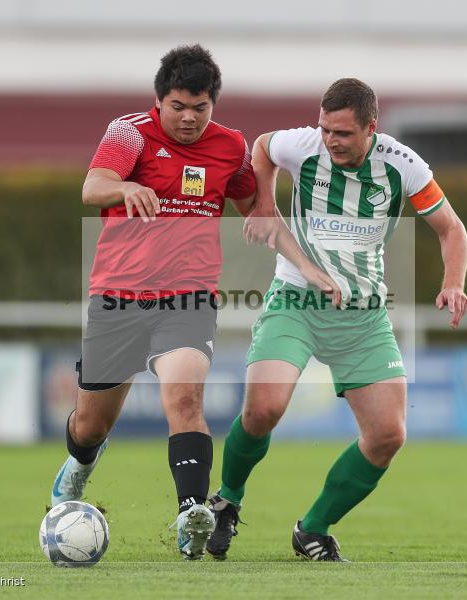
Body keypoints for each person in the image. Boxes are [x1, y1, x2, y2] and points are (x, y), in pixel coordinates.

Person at [49, 44, 338, 561]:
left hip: (188, 298)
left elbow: (258, 206)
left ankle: (190, 515)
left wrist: (296, 252)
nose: (188, 118)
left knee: (185, 402)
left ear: (213, 105)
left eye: (199, 108)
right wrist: (127, 188)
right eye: (178, 106)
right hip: (118, 298)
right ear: (160, 100)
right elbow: (92, 187)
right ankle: (79, 465)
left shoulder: (229, 147)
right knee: (91, 425)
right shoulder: (130, 132)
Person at [206, 78, 467, 561]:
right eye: (326, 129)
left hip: (363, 316)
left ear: (371, 127)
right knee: (264, 409)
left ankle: (313, 529)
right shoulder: (306, 145)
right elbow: (261, 147)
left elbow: (451, 228)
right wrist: (264, 203)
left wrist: (453, 282)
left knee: (388, 435)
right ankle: (227, 499)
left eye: (342, 133)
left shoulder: (403, 165)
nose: (330, 140)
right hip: (296, 300)